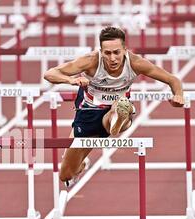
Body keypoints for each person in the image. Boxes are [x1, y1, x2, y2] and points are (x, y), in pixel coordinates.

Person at [44, 26, 184, 188]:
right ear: (101, 51)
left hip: (113, 112)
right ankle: (82, 164)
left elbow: (173, 80)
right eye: (107, 53)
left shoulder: (136, 63)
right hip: (88, 114)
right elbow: (50, 74)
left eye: (116, 52)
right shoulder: (91, 61)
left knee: (119, 107)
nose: (112, 58)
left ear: (125, 50)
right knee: (65, 175)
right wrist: (71, 80)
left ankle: (119, 119)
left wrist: (178, 95)